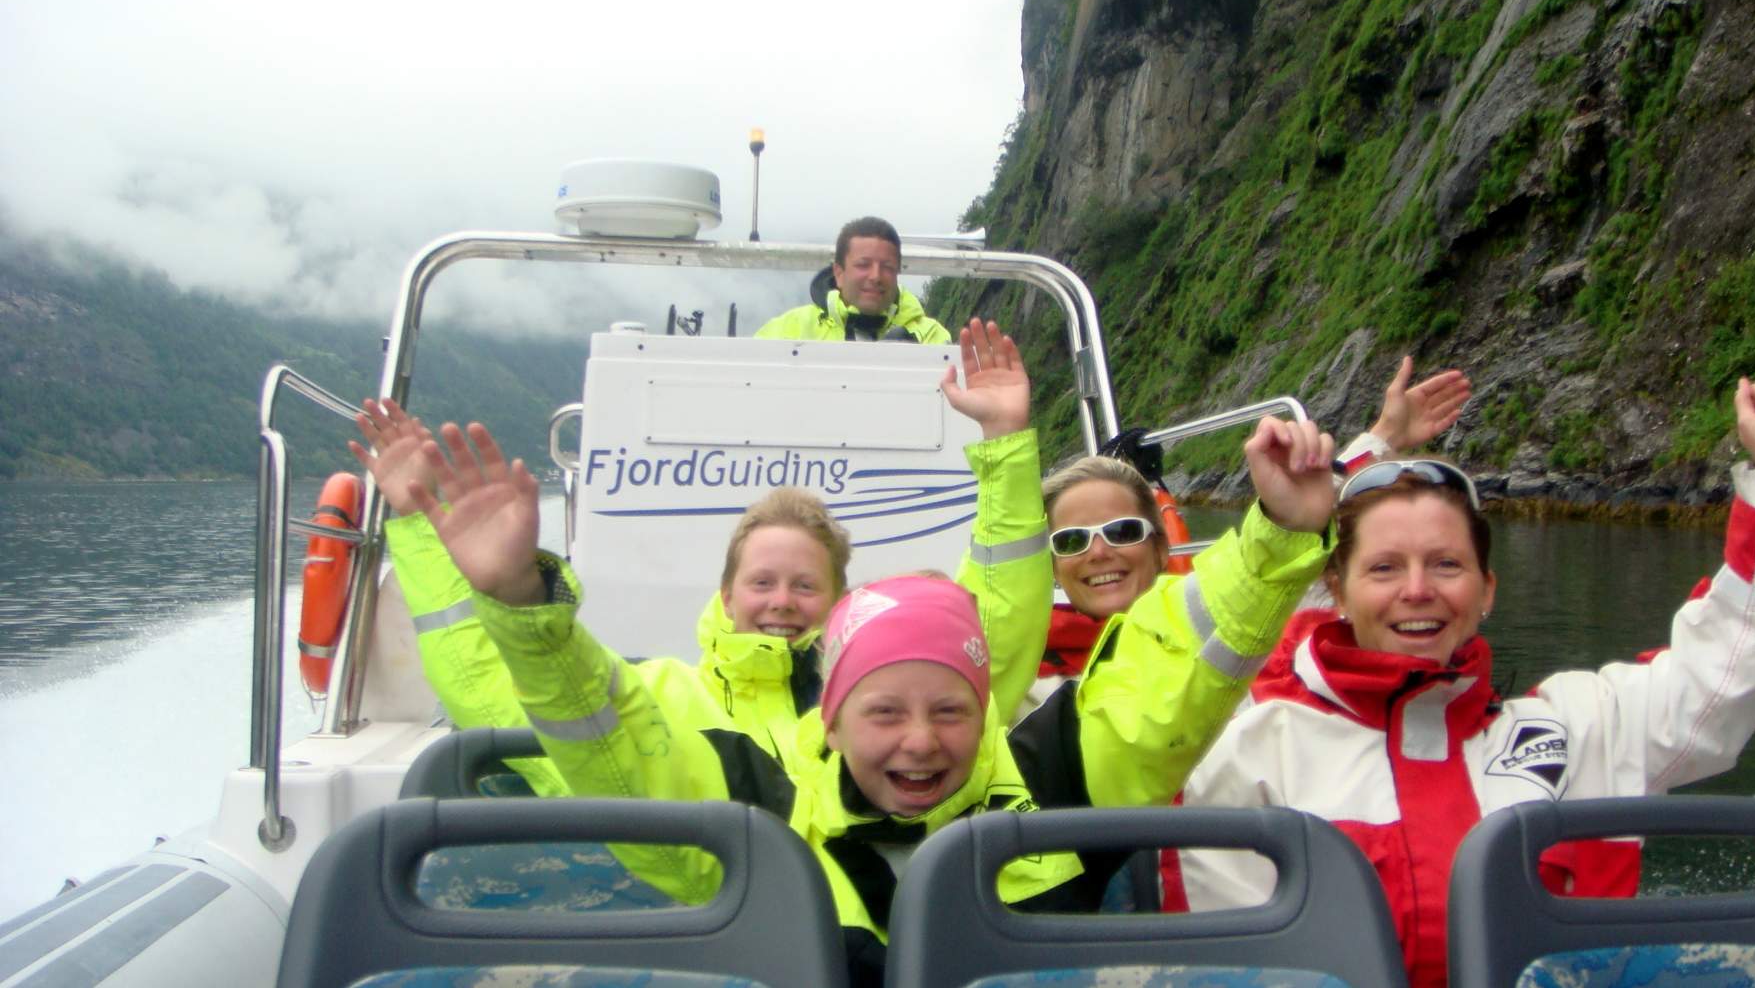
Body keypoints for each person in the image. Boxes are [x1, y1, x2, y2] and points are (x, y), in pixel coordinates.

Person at [411, 372, 1340, 985]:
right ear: (834, 712)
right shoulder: (756, 812)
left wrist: (1279, 536)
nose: (921, 740)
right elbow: (613, 738)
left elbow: (1174, 667)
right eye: (885, 710)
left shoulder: (1057, 780)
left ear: (986, 710)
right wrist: (519, 599)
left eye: (949, 709)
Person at [1168, 377, 1755, 988]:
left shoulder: (1578, 727)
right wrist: (1330, 485)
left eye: (1446, 563)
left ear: (1486, 592)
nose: (1418, 590)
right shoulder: (1256, 750)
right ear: (1337, 592)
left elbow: (1721, 678)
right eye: (1386, 568)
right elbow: (1228, 963)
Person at [348, 329, 1047, 783]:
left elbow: (999, 621)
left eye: (806, 584)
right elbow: (494, 700)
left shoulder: (900, 694)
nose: (781, 600)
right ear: (725, 597)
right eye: (763, 581)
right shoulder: (663, 695)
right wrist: (444, 542)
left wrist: (1005, 445)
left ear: (840, 604)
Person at [1027, 355, 1472, 712]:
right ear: (1052, 565)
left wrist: (1382, 437)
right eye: (1072, 541)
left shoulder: (1222, 618)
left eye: (1123, 531)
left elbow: (1277, 557)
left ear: (1161, 546)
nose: (1099, 551)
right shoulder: (1025, 675)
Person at [755, 216, 951, 343]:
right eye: (863, 265)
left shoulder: (931, 337)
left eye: (887, 267)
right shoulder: (789, 329)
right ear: (839, 273)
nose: (875, 276)